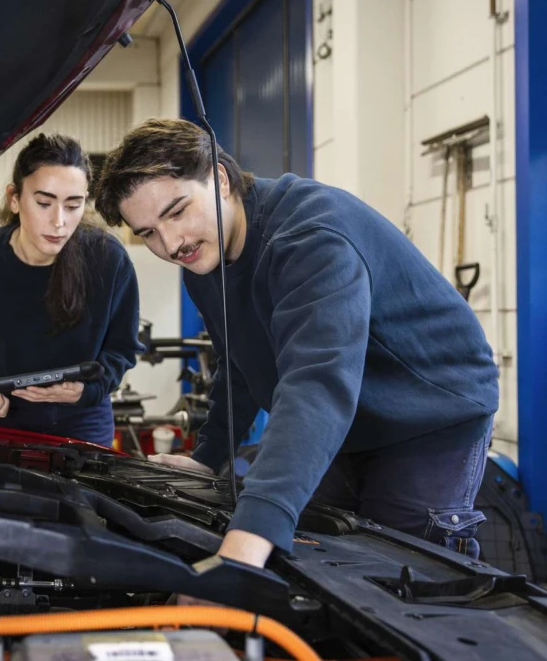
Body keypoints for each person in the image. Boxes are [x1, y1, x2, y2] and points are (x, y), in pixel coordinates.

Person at [93, 118, 498, 567]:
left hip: (429, 414)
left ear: (220, 179)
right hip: (352, 418)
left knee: (400, 571)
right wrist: (208, 458)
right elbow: (239, 365)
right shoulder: (204, 261)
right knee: (320, 559)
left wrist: (250, 537)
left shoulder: (309, 238)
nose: (171, 244)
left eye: (177, 211)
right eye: (148, 233)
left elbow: (317, 384)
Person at [0, 133, 142, 447]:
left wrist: (89, 390)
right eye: (44, 203)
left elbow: (122, 347)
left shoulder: (108, 260)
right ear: (14, 198)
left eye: (73, 205)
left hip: (82, 419)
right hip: (2, 416)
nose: (59, 221)